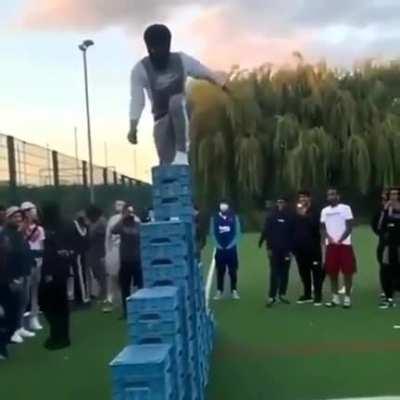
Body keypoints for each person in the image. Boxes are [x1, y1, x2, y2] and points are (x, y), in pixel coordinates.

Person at [127, 24, 227, 166]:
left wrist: (224, 86)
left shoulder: (181, 60)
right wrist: (133, 128)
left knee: (175, 100)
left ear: (168, 45)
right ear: (149, 49)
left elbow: (205, 73)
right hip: (161, 119)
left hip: (185, 113)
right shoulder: (140, 70)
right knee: (167, 163)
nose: (160, 54)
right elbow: (137, 101)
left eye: (163, 49)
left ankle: (182, 152)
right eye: (156, 50)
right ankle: (175, 166)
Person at [39, 203, 74, 350]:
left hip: (51, 271)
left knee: (50, 305)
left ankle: (57, 336)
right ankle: (62, 337)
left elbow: (49, 253)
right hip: (62, 270)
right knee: (61, 305)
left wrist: (48, 273)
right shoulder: (66, 225)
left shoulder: (46, 229)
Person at [321, 188, 356, 309]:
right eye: (329, 195)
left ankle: (347, 298)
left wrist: (340, 240)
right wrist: (329, 238)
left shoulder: (345, 208)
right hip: (331, 246)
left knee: (348, 272)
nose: (331, 196)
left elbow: (350, 227)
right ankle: (335, 298)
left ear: (338, 196)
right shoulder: (324, 211)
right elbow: (323, 228)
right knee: (332, 272)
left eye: (333, 194)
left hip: (344, 245)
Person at [3, 207, 34, 344]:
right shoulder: (5, 234)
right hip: (13, 274)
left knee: (23, 301)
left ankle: (19, 326)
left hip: (24, 271)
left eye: (19, 216)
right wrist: (12, 276)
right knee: (13, 304)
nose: (18, 219)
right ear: (8, 218)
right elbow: (8, 256)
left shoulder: (18, 233)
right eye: (15, 217)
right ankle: (13, 331)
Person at [259, 197, 294, 308]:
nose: (280, 204)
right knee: (274, 273)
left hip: (286, 250)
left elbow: (293, 234)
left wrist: (291, 250)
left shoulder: (290, 217)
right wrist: (267, 247)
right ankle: (271, 296)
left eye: (282, 202)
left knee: (285, 273)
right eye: (279, 202)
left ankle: (282, 294)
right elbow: (266, 231)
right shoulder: (271, 216)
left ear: (286, 204)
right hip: (274, 250)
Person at [292, 191, 324, 306]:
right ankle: (307, 294)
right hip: (299, 248)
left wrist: (304, 215)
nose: (302, 199)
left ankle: (318, 295)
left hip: (313, 248)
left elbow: (315, 225)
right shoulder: (296, 211)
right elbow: (292, 228)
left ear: (309, 198)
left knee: (316, 272)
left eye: (304, 197)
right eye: (300, 197)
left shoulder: (316, 211)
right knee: (304, 272)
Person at [111, 204, 143, 319]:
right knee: (125, 288)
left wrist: (125, 218)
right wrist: (122, 218)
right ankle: (126, 311)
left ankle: (142, 308)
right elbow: (113, 230)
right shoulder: (122, 225)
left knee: (141, 286)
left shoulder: (138, 225)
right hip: (125, 262)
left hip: (136, 260)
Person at [0, 206, 22, 358]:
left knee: (13, 315)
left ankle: (3, 342)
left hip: (6, 280)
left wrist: (14, 277)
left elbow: (10, 257)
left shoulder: (6, 234)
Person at [21, 201, 45, 331]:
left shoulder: (40, 229)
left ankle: (34, 318)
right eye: (31, 210)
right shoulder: (21, 229)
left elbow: (41, 246)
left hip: (38, 263)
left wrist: (41, 259)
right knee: (24, 293)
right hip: (25, 263)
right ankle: (19, 322)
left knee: (35, 291)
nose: (34, 213)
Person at [211, 201, 241, 301]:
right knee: (220, 271)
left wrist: (230, 245)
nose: (223, 206)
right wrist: (218, 245)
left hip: (231, 250)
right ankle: (219, 291)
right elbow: (212, 233)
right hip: (220, 250)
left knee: (233, 271)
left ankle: (234, 290)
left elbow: (238, 233)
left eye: (225, 204)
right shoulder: (214, 218)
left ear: (228, 206)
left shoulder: (234, 217)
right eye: (222, 204)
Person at [375, 187, 400, 309]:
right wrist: (385, 210)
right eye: (392, 194)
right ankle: (388, 298)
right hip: (388, 245)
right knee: (386, 270)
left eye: (396, 194)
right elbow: (380, 226)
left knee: (398, 270)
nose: (394, 196)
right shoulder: (386, 210)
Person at [86, 205, 109, 312]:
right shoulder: (93, 223)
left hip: (100, 252)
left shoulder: (101, 222)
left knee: (101, 274)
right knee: (97, 274)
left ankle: (105, 294)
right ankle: (102, 292)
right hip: (94, 252)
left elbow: (93, 235)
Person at [105, 200, 125, 310]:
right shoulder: (112, 219)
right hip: (118, 250)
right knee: (117, 277)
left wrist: (107, 252)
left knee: (116, 277)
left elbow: (107, 238)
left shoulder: (112, 219)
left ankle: (116, 300)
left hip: (119, 250)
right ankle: (119, 300)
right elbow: (107, 238)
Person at [371, 189, 389, 303]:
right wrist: (382, 234)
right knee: (384, 267)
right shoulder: (380, 213)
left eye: (385, 199)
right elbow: (375, 226)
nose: (384, 201)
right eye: (383, 199)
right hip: (384, 244)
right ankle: (385, 289)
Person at [70, 211, 90, 306]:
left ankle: (79, 297)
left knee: (80, 275)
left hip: (81, 254)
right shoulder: (74, 227)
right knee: (80, 275)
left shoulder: (85, 228)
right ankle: (83, 298)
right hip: (77, 254)